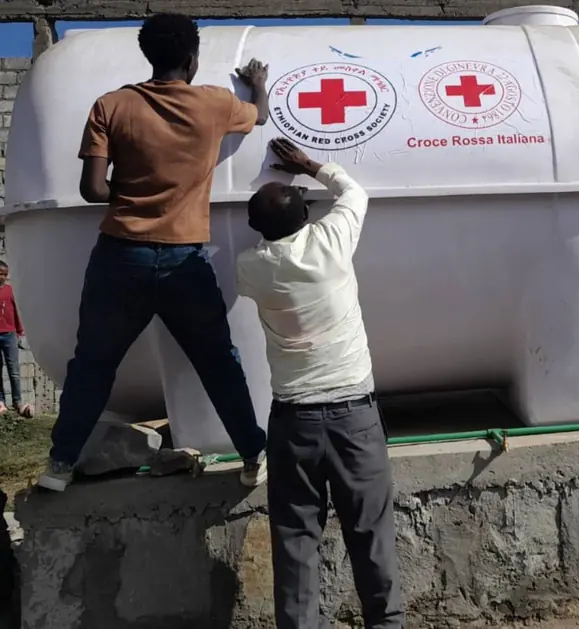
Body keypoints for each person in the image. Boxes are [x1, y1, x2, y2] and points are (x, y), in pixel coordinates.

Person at [38, 13, 269, 492]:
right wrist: (258, 85)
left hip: (120, 257)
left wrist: (132, 193)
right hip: (184, 260)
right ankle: (251, 454)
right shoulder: (214, 104)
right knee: (217, 361)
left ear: (148, 55)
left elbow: (92, 189)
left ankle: (60, 465)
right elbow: (259, 116)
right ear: (192, 60)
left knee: (93, 363)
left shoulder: (111, 105)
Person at [236, 138, 404, 629]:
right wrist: (309, 165)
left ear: (255, 228)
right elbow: (354, 192)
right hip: (356, 418)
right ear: (308, 216)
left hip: (294, 425)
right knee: (372, 537)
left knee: (295, 542)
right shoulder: (332, 241)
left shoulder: (252, 268)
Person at [0, 261, 33, 418]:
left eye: (5, 274)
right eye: (0, 274)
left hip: (9, 335)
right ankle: (1, 402)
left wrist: (19, 331)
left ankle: (17, 402)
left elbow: (16, 312)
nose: (3, 277)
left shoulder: (10, 291)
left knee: (14, 370)